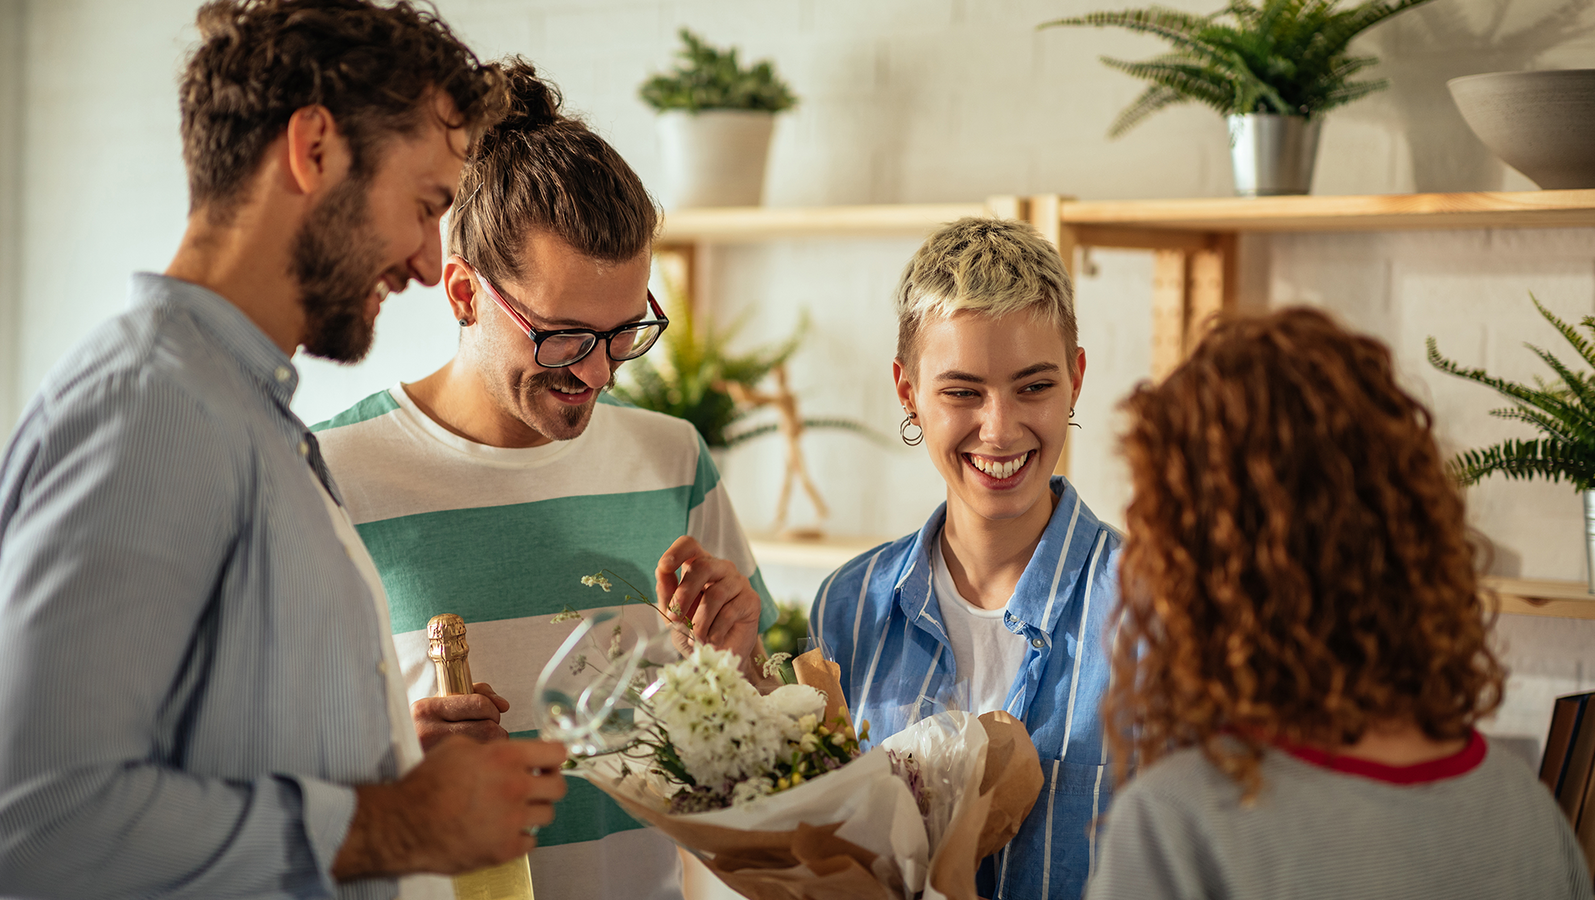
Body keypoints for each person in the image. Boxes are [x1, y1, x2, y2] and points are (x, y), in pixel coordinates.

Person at [0, 3, 572, 898]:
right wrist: (398, 822)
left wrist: (374, 758)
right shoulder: (152, 407)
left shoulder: (242, 412)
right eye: (426, 206)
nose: (427, 263)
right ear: (313, 149)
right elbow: (39, 818)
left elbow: (202, 744)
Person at [313, 60, 777, 900]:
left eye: (624, 332)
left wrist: (742, 672)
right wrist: (389, 768)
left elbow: (759, 772)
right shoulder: (332, 477)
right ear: (463, 293)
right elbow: (257, 780)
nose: (598, 375)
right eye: (564, 337)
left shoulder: (673, 460)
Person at [1086, 308, 1591, 900]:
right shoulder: (1528, 816)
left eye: (1152, 522)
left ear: (1213, 570)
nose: (1128, 560)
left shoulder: (1180, 826)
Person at [810, 217, 1120, 900]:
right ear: (907, 391)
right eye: (962, 392)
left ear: (1076, 379)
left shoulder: (1158, 610)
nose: (1000, 428)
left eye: (1034, 387)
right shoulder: (846, 608)